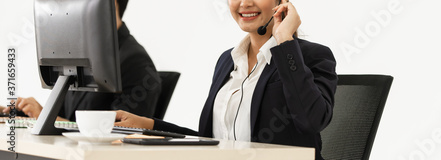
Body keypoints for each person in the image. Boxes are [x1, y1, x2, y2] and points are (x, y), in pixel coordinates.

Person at [114, 0, 337, 159]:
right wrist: (148, 125)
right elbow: (212, 142)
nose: (245, 3)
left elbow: (311, 121)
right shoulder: (227, 60)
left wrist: (285, 41)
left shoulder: (311, 57)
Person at [1, 0, 161, 121]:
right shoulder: (80, 54)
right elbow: (63, 118)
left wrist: (45, 116)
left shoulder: (136, 62)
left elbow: (119, 134)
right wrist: (26, 113)